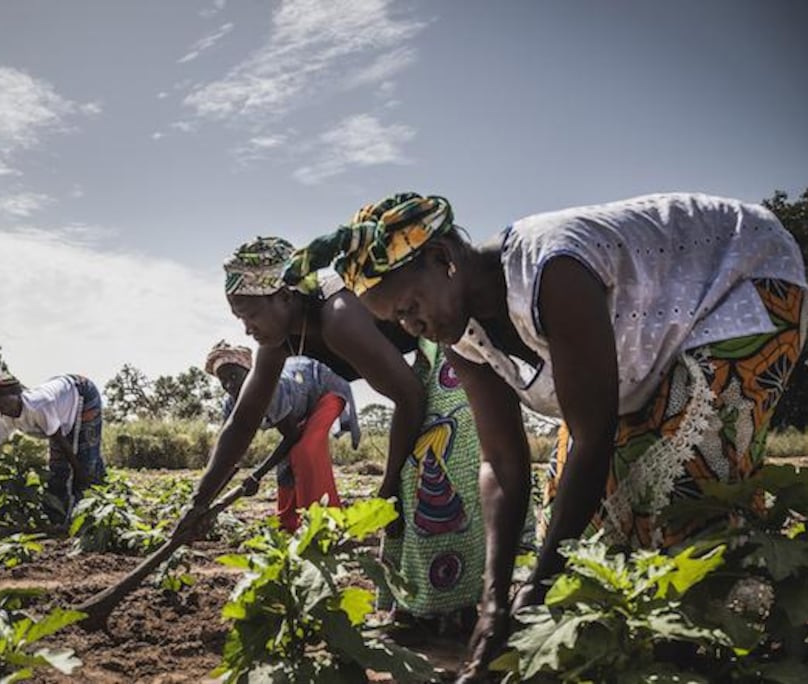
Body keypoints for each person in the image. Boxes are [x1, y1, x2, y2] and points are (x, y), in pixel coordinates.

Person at [289, 191, 806, 680]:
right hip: (657, 346)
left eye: (409, 306)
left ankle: (716, 647)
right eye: (398, 321)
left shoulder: (551, 270)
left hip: (742, 277)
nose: (412, 326)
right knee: (569, 504)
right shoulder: (461, 336)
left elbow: (593, 436)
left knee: (683, 478)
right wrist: (496, 604)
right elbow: (502, 465)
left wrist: (536, 587)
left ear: (445, 259)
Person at [175, 236, 485, 619]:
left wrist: (386, 487)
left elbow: (409, 397)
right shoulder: (278, 343)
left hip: (446, 342)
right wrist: (199, 501)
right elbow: (243, 421)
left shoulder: (338, 317)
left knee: (432, 466)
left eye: (250, 315)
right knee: (411, 481)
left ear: (285, 298)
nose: (246, 329)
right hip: (418, 364)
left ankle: (454, 608)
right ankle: (416, 606)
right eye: (240, 319)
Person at [204, 340, 359, 531]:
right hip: (300, 404)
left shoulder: (270, 389)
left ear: (250, 372)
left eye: (234, 376)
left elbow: (291, 435)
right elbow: (227, 451)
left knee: (305, 452)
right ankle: (288, 524)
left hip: (325, 387)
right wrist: (203, 502)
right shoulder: (231, 404)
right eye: (223, 381)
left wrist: (256, 476)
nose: (229, 384)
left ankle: (324, 524)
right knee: (286, 463)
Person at [0, 372, 106, 518]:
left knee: (85, 462)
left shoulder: (38, 406)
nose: (5, 409)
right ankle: (58, 516)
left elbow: (60, 440)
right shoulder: (4, 418)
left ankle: (94, 510)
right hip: (60, 407)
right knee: (58, 471)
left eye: (6, 403)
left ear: (17, 395)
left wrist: (79, 472)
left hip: (81, 392)